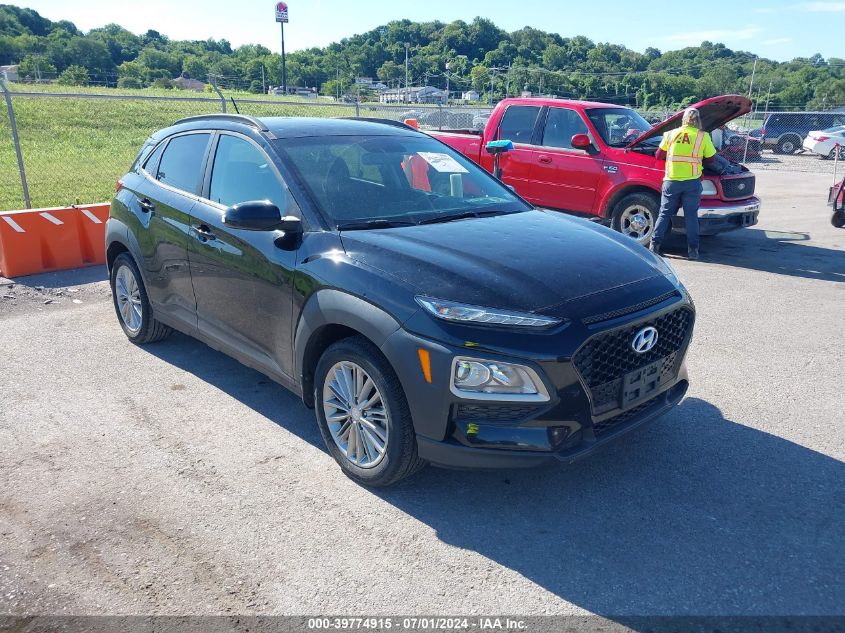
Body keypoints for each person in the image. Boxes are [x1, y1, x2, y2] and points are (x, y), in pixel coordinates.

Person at [650, 107, 717, 260]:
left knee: (665, 213)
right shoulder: (703, 136)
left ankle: (655, 246)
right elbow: (712, 159)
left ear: (683, 119)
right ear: (698, 120)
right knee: (691, 216)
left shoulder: (670, 134)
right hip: (692, 181)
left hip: (671, 180)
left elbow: (659, 155)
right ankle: (693, 251)